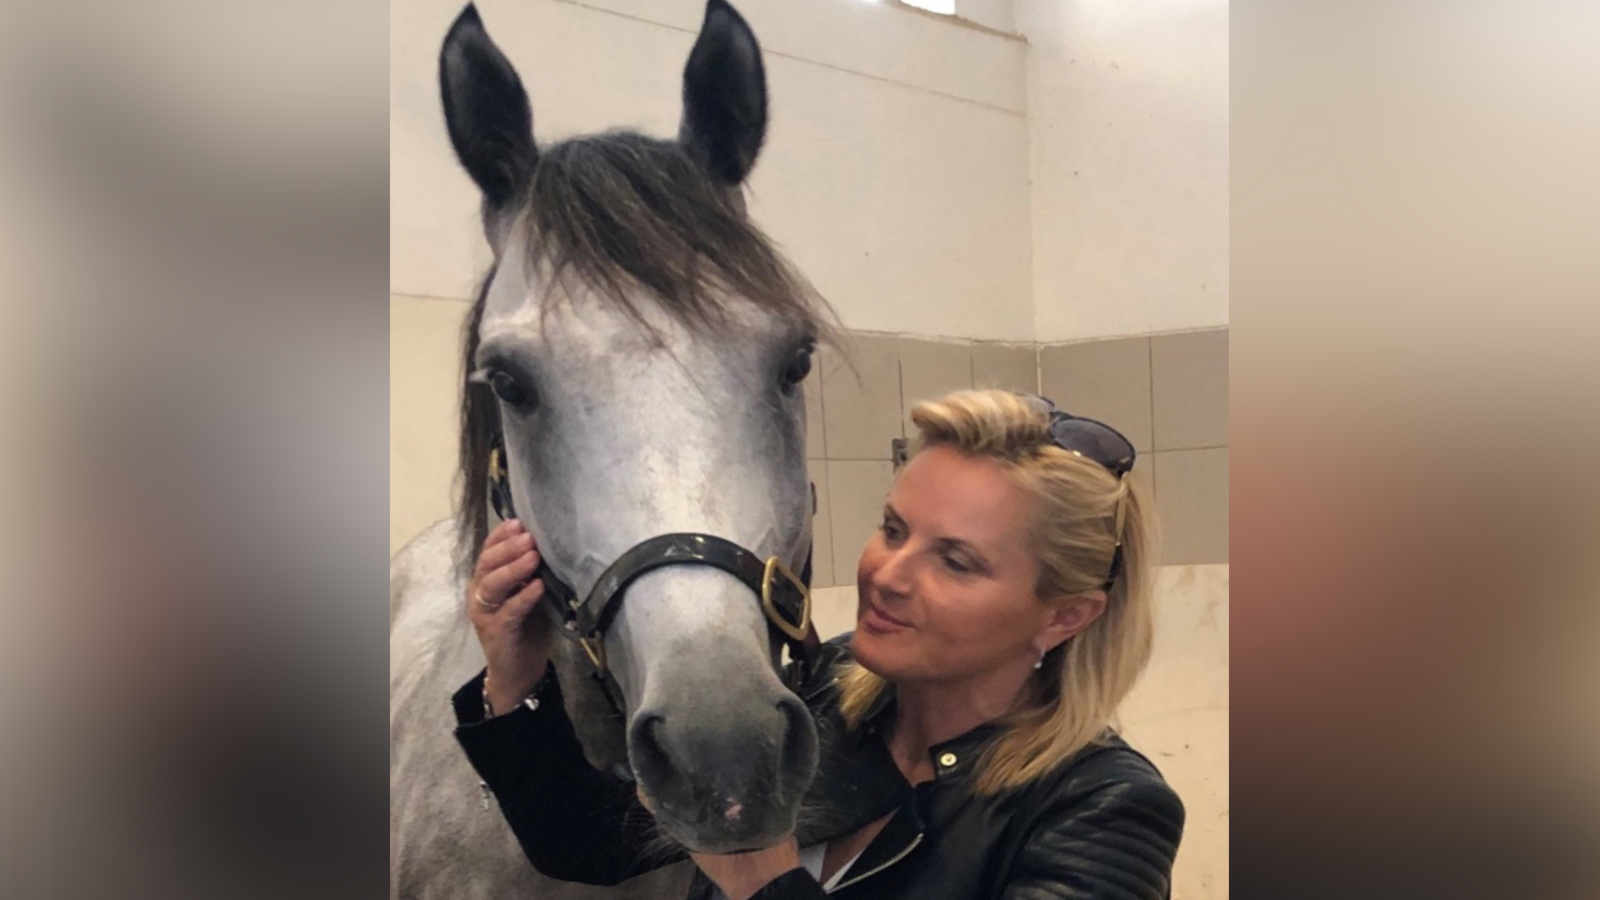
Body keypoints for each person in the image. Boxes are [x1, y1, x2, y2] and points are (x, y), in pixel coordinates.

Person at [453, 389, 1184, 899]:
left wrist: (764, 883)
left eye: (956, 561)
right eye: (893, 530)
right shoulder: (818, 699)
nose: (887, 576)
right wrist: (513, 679)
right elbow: (595, 846)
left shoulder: (1103, 807)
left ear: (1065, 617)